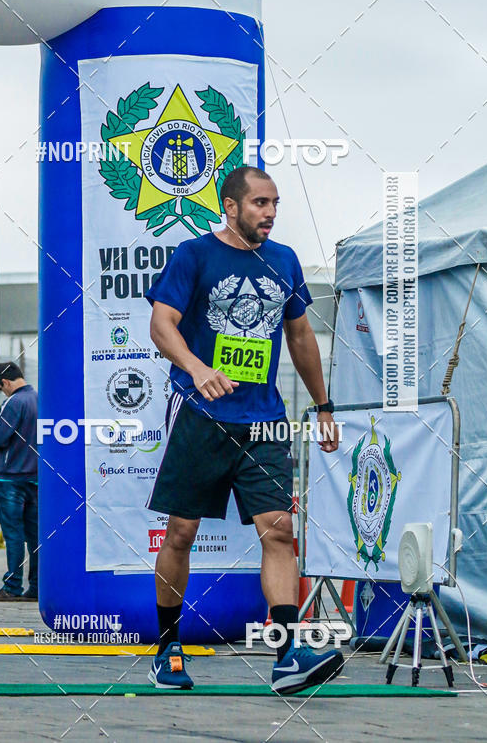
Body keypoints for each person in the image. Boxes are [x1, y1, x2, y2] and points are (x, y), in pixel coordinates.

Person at [145, 166, 343, 694]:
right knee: (181, 533)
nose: (270, 213)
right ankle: (167, 647)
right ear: (230, 206)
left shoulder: (284, 261)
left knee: (279, 531)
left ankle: (287, 655)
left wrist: (324, 406)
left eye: (274, 203)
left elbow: (300, 336)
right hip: (201, 415)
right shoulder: (193, 255)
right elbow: (161, 323)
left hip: (263, 422)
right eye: (259, 203)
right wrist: (196, 367)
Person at [0, 362, 39, 603]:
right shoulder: (40, 399)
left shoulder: (14, 403)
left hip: (11, 479)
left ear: (4, 383)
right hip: (36, 479)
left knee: (14, 534)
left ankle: (12, 586)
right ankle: (36, 587)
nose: (2, 392)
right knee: (35, 536)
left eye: (0, 388)